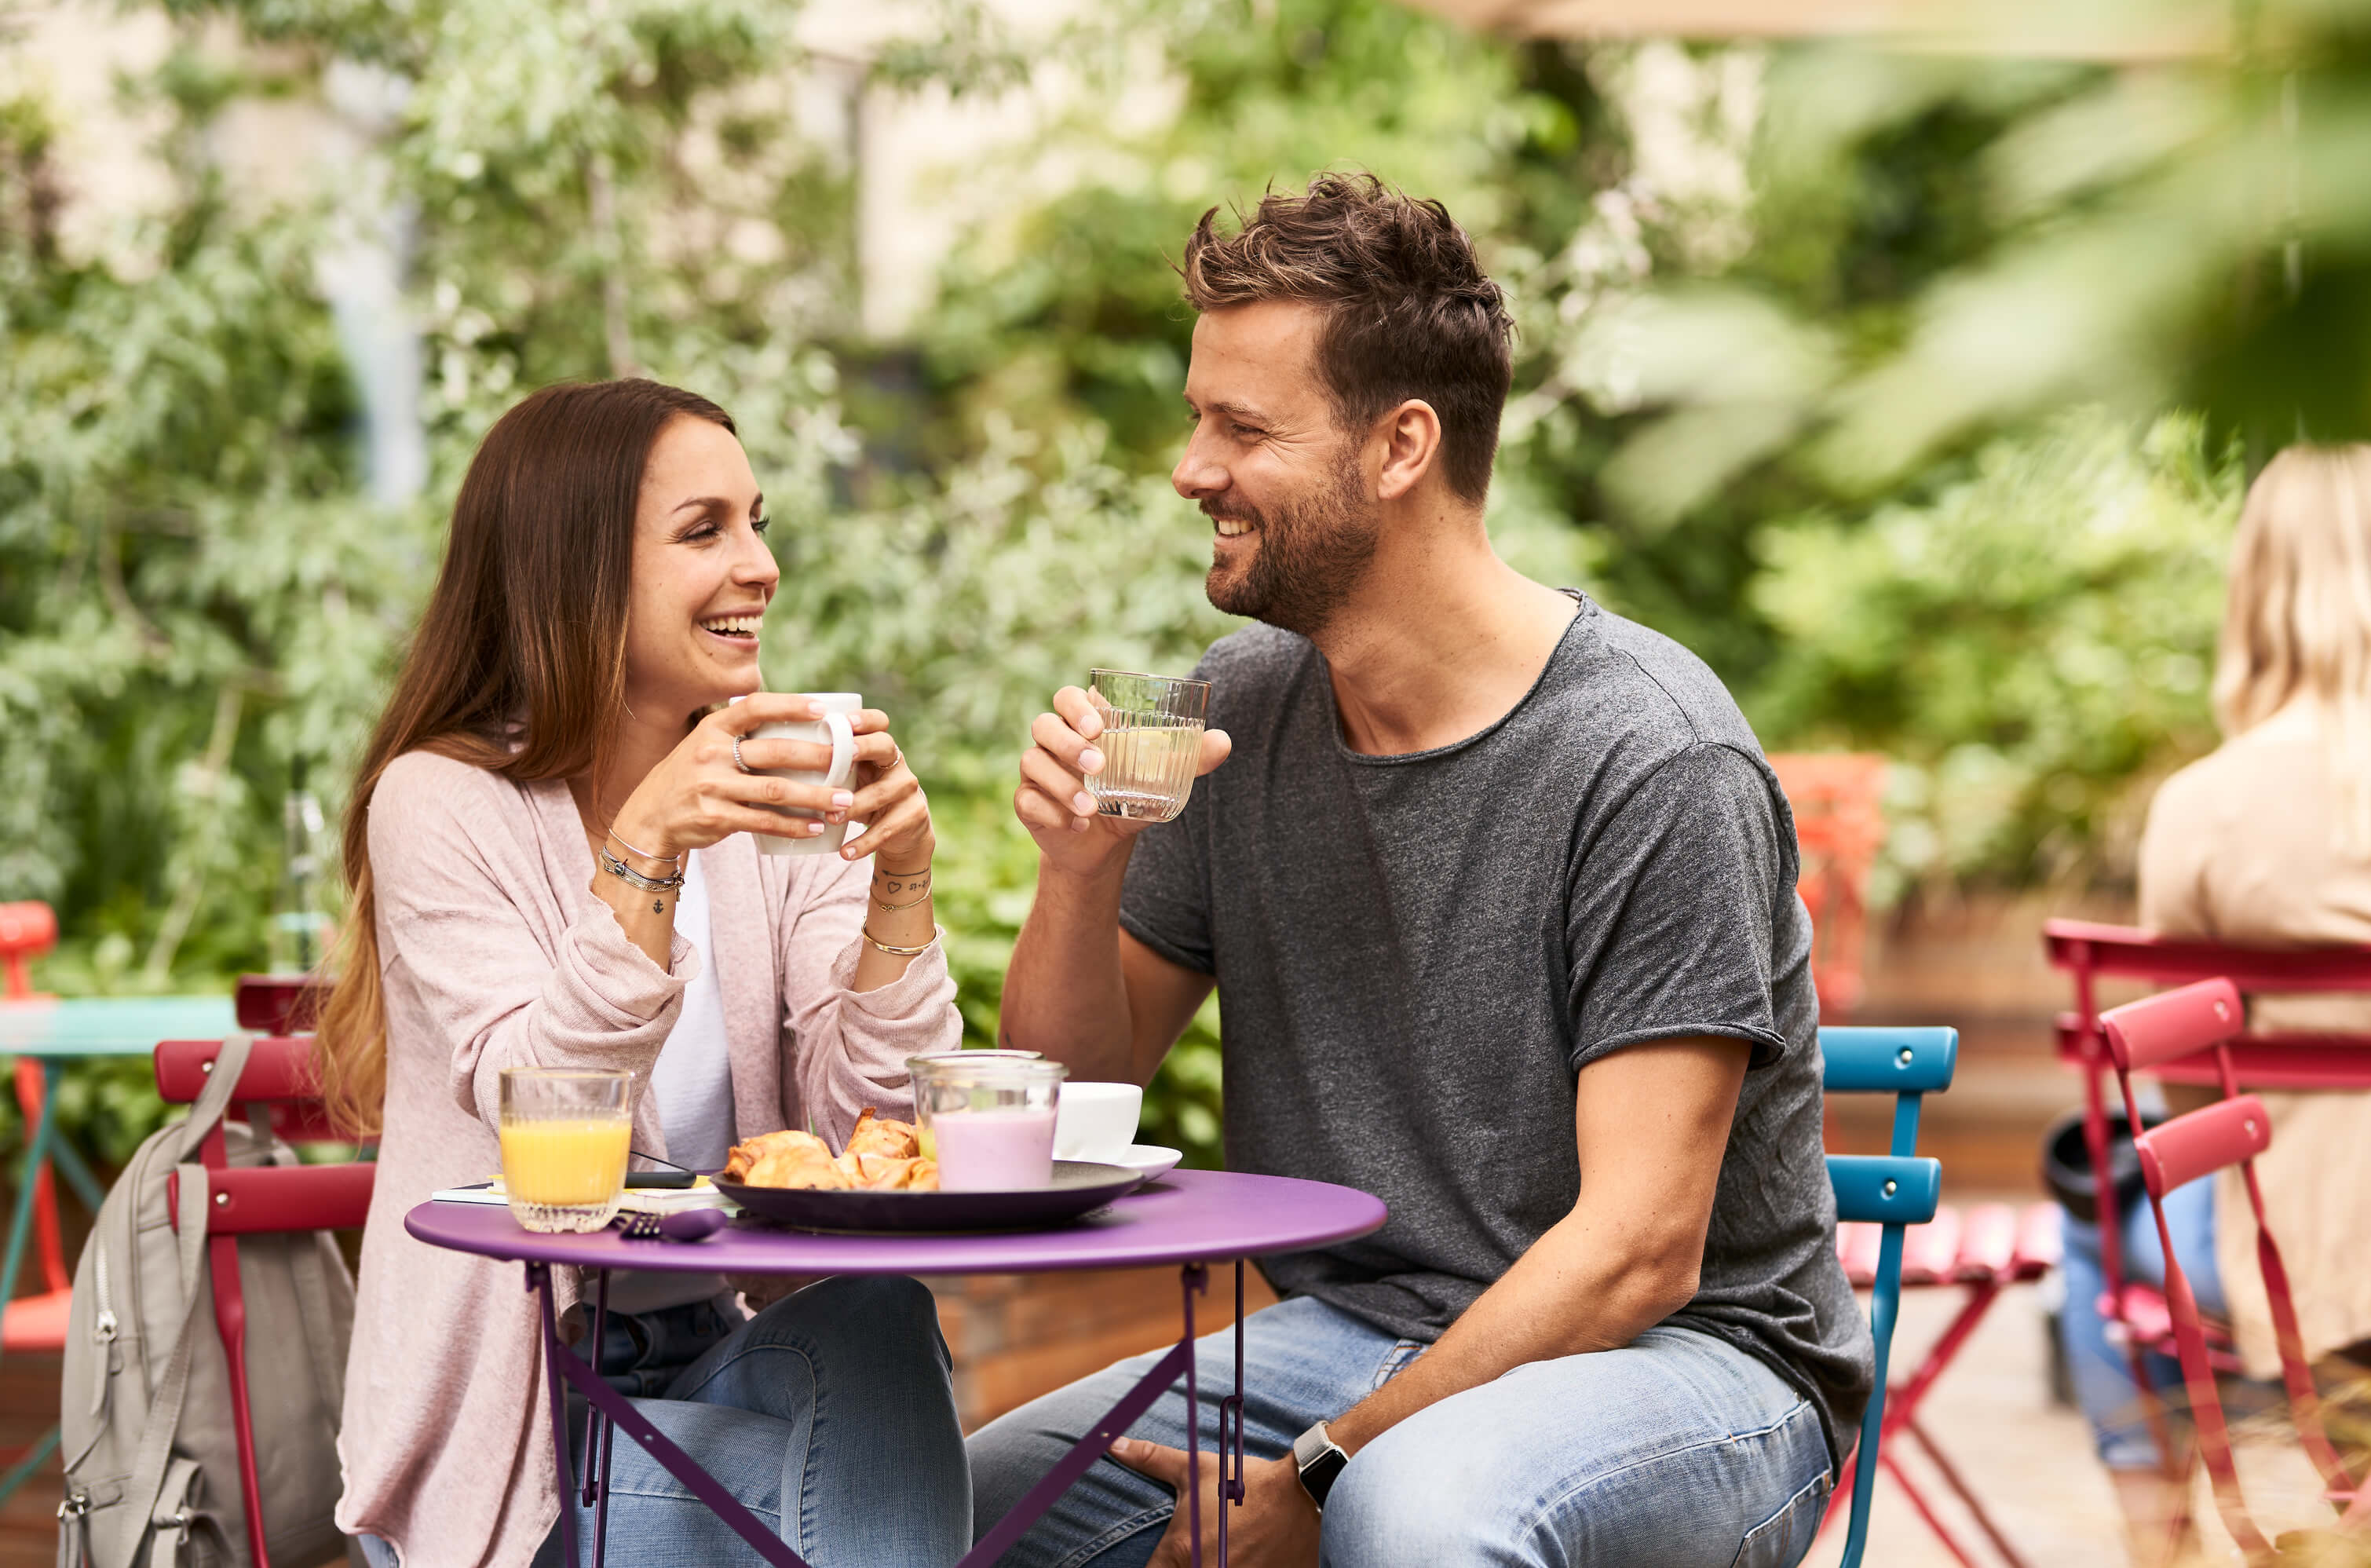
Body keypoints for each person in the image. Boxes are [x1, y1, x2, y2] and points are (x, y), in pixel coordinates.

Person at [973, 174, 1869, 1568]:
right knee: (971, 1507)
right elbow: (1073, 1115)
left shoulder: (1651, 755)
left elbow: (1639, 1249)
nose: (1187, 467)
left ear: (1401, 445)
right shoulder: (1238, 711)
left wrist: (1329, 1467)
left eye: (1241, 426)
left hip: (1696, 1367)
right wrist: (1080, 871)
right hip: (1359, 1334)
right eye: (1198, 415)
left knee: (1415, 1516)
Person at [319, 379, 971, 1568]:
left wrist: (901, 882)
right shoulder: (443, 802)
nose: (761, 564)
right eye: (704, 529)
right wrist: (643, 852)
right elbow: (537, 1103)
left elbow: (867, 1128)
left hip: (720, 1350)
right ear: (579, 573)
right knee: (862, 1517)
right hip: (527, 1416)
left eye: (759, 520)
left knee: (879, 1319)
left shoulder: (774, 801)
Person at [2058, 442, 2371, 1556]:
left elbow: (2177, 1088)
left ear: (2254, 590)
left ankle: (2160, 1545)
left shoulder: (2206, 804)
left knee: (2097, 1230)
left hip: (2295, 1244)